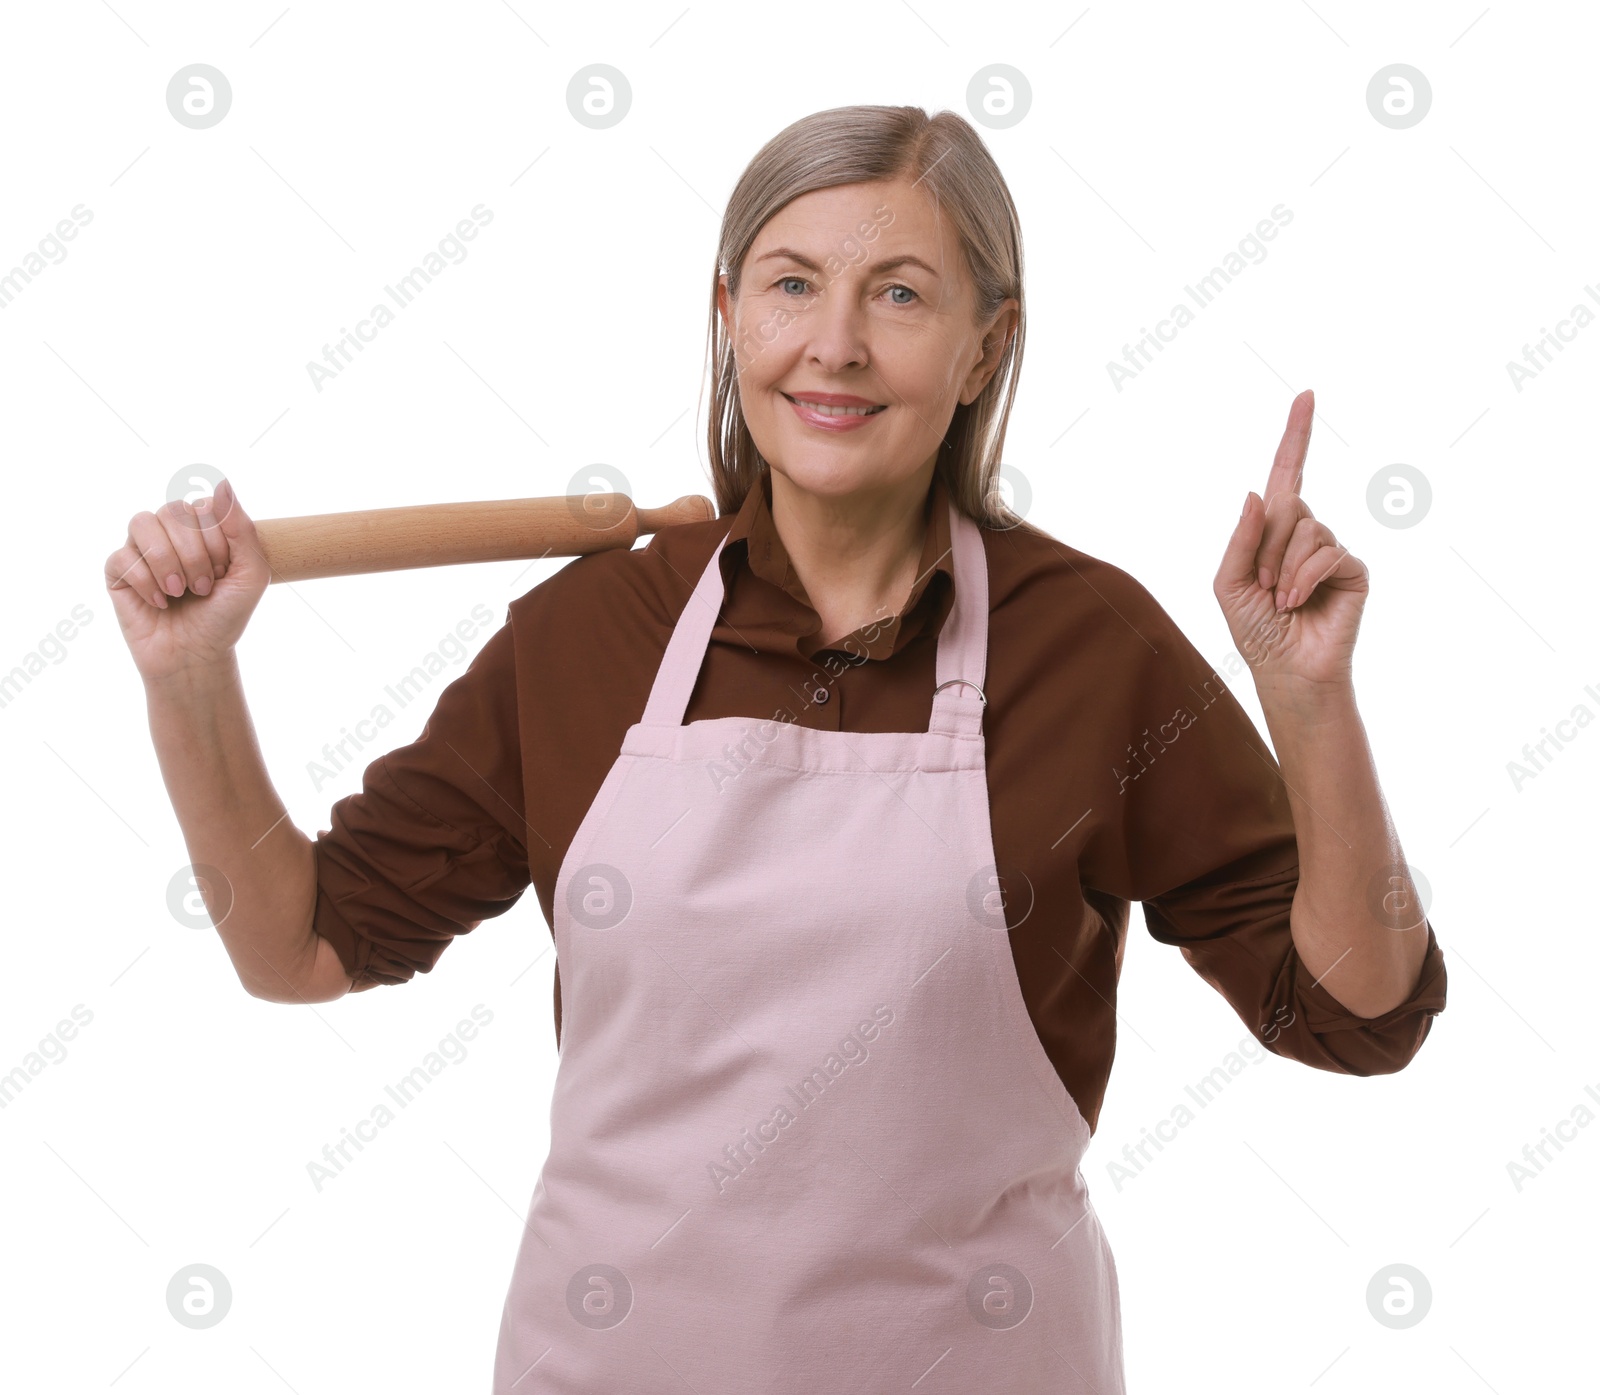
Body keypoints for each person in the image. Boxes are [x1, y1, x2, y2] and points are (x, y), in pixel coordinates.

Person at [106, 103, 1447, 1392]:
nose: (838, 346)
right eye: (794, 285)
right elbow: (298, 948)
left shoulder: (1088, 651)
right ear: (729, 315)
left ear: (988, 347)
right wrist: (189, 677)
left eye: (903, 294)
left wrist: (1309, 698)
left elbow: (1352, 1011)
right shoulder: (593, 633)